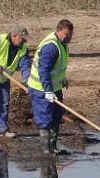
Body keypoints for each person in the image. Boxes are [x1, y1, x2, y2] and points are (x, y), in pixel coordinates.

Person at [27, 19, 74, 156]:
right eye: (66, 35)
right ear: (58, 31)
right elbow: (44, 70)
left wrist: (62, 79)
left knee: (56, 116)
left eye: (70, 35)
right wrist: (48, 90)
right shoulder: (51, 47)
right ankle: (45, 150)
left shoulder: (62, 43)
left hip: (55, 87)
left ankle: (53, 146)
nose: (69, 38)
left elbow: (57, 67)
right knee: (44, 119)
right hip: (41, 89)